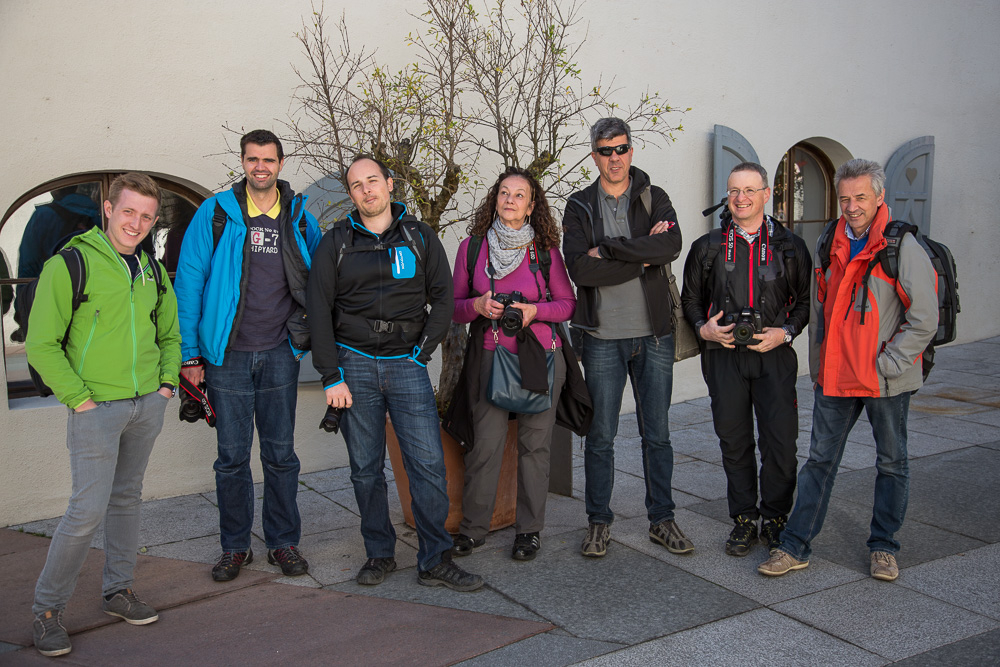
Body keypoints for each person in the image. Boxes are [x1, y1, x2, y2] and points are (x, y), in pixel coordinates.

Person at [306, 155, 483, 591]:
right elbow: (318, 310)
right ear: (351, 194)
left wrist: (422, 353)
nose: (367, 190)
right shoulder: (337, 242)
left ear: (389, 183)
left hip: (408, 366)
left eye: (373, 181)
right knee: (365, 469)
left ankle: (435, 558)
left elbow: (443, 299)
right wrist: (331, 375)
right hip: (355, 365)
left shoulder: (420, 237)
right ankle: (379, 553)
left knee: (427, 465)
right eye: (357, 185)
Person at [758, 158, 938, 581]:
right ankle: (794, 546)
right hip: (836, 377)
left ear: (879, 197)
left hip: (884, 378)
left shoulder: (902, 247)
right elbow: (821, 309)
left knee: (892, 462)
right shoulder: (829, 240)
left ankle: (883, 546)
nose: (852, 206)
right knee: (820, 461)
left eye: (860, 197)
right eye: (844, 198)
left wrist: (890, 363)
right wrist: (820, 365)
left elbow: (924, 318)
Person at [26, 173, 180, 657]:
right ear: (109, 209)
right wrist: (79, 399)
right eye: (128, 211)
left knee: (127, 499)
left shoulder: (151, 271)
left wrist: (166, 385)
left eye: (147, 216)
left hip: (146, 405)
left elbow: (170, 333)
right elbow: (41, 344)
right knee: (86, 511)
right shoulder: (69, 264)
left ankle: (119, 590)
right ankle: (47, 611)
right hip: (95, 408)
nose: (136, 223)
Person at [174, 129, 321, 582]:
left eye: (269, 159)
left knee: (281, 455)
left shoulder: (298, 216)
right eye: (253, 159)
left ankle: (283, 542)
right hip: (226, 357)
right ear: (242, 162)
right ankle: (235, 547)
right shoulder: (215, 213)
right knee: (232, 458)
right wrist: (190, 354)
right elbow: (189, 281)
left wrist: (303, 339)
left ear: (281, 163)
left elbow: (319, 282)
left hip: (280, 352)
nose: (261, 166)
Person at [562, 117, 689, 558]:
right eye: (604, 150)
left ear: (631, 151)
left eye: (620, 149)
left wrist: (612, 248)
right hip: (601, 337)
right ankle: (599, 522)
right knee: (600, 436)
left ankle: (663, 519)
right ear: (593, 155)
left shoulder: (656, 197)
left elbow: (669, 248)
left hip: (653, 335)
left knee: (657, 434)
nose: (613, 157)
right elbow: (579, 269)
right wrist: (641, 253)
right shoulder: (579, 205)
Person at [681, 162, 811, 557]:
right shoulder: (709, 247)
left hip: (774, 356)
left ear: (766, 194)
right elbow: (690, 300)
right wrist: (703, 328)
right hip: (723, 358)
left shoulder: (790, 246)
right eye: (734, 190)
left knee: (780, 444)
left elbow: (805, 303)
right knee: (734, 443)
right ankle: (743, 520)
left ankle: (774, 518)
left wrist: (784, 333)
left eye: (750, 190)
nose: (741, 198)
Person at [449, 168, 576, 561]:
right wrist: (477, 305)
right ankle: (472, 529)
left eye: (519, 195)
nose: (510, 200)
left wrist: (533, 311)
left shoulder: (544, 250)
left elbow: (568, 304)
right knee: (485, 445)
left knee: (535, 448)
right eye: (504, 192)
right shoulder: (472, 248)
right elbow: (452, 309)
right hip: (490, 357)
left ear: (532, 205)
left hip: (541, 359)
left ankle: (529, 532)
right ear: (495, 198)